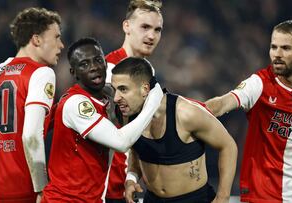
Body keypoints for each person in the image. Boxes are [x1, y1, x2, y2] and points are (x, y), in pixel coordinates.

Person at [205, 20, 292, 203]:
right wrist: (185, 110)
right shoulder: (259, 83)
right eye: (274, 47)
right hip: (264, 195)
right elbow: (222, 104)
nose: (277, 54)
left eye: (286, 48)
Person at [41, 38, 163, 202]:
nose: (93, 67)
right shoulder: (76, 104)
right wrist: (154, 100)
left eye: (98, 60)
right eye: (84, 64)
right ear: (74, 72)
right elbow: (121, 142)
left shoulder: (107, 99)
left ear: (105, 63)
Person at [110, 57, 237, 203]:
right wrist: (131, 178)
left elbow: (228, 146)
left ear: (145, 89)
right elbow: (136, 150)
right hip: (152, 199)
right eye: (115, 90)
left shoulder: (186, 113)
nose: (116, 98)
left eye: (123, 89)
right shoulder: (128, 115)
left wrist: (222, 197)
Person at [0, 7, 64, 202]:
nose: (61, 45)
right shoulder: (41, 73)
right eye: (56, 37)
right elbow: (30, 134)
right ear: (36, 39)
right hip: (18, 190)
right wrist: (41, 187)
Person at [105, 1, 163, 202]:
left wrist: (131, 176)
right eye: (145, 27)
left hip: (128, 184)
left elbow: (138, 131)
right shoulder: (108, 71)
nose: (151, 36)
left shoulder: (148, 72)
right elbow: (109, 134)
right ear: (126, 26)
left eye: (157, 30)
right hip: (106, 188)